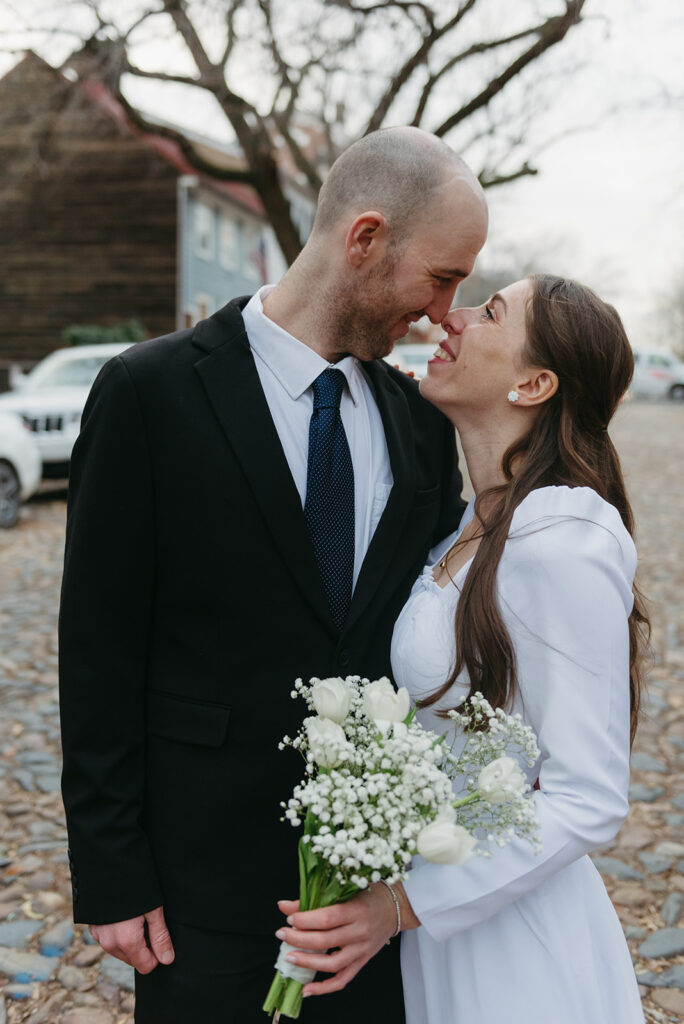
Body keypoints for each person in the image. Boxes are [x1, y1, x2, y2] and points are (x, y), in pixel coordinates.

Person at [58, 126, 489, 1023]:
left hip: (367, 898)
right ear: (364, 240)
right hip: (197, 888)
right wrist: (111, 870)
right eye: (442, 278)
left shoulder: (418, 423)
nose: (446, 312)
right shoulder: (150, 391)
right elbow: (96, 645)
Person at [275, 274, 649, 1023]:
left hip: (516, 945)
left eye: (490, 312)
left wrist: (402, 904)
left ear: (534, 383)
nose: (453, 316)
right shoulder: (468, 529)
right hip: (448, 933)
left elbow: (589, 798)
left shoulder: (562, 542)